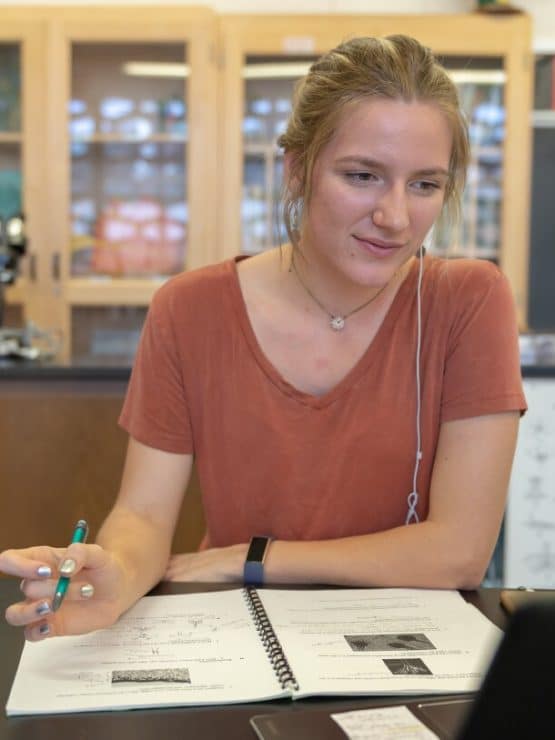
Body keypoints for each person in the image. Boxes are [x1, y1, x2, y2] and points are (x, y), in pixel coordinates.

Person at [1, 35, 526, 641]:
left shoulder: (468, 301)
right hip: (236, 638)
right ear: (297, 169)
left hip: (404, 644)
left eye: (425, 185)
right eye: (363, 175)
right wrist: (115, 573)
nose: (395, 216)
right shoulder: (190, 308)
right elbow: (143, 514)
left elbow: (459, 551)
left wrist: (252, 557)